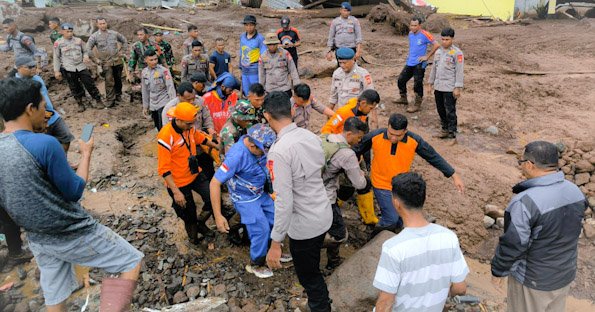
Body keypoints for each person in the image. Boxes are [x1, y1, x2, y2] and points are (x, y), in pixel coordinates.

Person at [0, 78, 143, 311]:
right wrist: (86, 153)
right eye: (44, 106)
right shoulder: (45, 144)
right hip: (71, 229)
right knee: (130, 260)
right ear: (30, 109)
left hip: (37, 236)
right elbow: (75, 191)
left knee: (55, 294)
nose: (47, 112)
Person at [491, 141, 586, 312]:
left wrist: (498, 270)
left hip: (533, 281)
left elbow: (513, 244)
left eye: (521, 162)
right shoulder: (575, 191)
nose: (521, 167)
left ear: (529, 164)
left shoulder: (524, 202)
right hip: (564, 275)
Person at [264, 91, 333, 312]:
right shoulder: (309, 136)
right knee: (312, 265)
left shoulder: (279, 152)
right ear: (292, 110)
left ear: (267, 116)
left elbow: (284, 201)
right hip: (323, 212)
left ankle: (320, 306)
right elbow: (321, 167)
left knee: (310, 276)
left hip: (304, 226)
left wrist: (276, 242)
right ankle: (317, 302)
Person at [373, 172, 468, 312]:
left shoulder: (393, 248)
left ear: (396, 203)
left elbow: (385, 303)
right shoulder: (449, 237)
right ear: (424, 199)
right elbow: (460, 288)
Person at [353, 113, 464, 232]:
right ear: (388, 126)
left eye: (398, 135)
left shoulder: (414, 140)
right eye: (391, 134)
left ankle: (395, 233)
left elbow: (432, 156)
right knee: (391, 219)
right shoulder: (375, 136)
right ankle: (375, 236)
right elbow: (357, 149)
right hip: (381, 184)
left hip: (401, 186)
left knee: (402, 218)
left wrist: (453, 175)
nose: (394, 138)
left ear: (405, 131)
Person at [211, 123, 277, 278]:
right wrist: (218, 216)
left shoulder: (260, 146)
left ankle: (271, 250)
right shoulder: (236, 156)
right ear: (252, 145)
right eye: (262, 151)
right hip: (245, 198)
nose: (263, 154)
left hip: (261, 192)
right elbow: (215, 183)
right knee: (261, 229)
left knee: (276, 218)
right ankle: (256, 263)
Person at [157, 102, 220, 246]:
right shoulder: (166, 136)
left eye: (192, 123)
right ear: (177, 120)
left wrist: (216, 146)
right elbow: (163, 169)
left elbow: (200, 138)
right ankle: (194, 238)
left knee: (212, 198)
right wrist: (176, 192)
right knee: (188, 213)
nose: (191, 126)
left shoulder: (189, 128)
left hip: (194, 174)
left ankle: (200, 223)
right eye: (188, 124)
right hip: (178, 182)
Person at [321, 117, 371, 270]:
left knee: (322, 226)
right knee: (339, 234)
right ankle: (310, 245)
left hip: (309, 190)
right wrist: (362, 174)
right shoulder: (347, 154)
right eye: (359, 137)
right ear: (349, 134)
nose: (360, 141)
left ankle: (333, 260)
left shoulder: (325, 137)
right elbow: (359, 184)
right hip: (326, 197)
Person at [14, 55, 75, 152]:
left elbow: (46, 94)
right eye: (29, 67)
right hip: (38, 122)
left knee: (66, 137)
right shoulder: (15, 85)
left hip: (52, 115)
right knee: (45, 148)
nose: (33, 68)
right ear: (19, 68)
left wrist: (55, 108)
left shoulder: (37, 78)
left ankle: (62, 162)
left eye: (34, 65)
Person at [53, 23, 104, 112]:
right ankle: (80, 103)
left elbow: (85, 51)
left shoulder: (78, 41)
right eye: (67, 32)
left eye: (71, 31)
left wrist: (85, 56)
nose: (70, 33)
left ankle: (98, 100)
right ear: (62, 32)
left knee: (89, 83)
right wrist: (56, 71)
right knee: (74, 87)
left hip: (81, 66)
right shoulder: (58, 43)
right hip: (69, 68)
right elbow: (56, 57)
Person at [394, 17, 440, 113]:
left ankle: (417, 104)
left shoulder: (425, 34)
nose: (413, 27)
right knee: (401, 80)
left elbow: (437, 45)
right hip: (410, 62)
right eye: (411, 25)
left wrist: (427, 56)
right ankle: (403, 98)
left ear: (419, 26)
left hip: (420, 64)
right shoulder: (410, 34)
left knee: (417, 84)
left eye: (415, 25)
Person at [428, 27, 464, 141]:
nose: (444, 42)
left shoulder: (457, 53)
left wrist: (457, 87)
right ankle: (444, 129)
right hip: (438, 86)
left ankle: (452, 132)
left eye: (447, 39)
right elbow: (434, 68)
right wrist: (430, 83)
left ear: (452, 39)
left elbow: (459, 70)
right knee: (440, 109)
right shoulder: (438, 52)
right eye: (442, 39)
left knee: (450, 110)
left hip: (449, 87)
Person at [86, 17, 128, 108]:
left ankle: (118, 95)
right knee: (109, 81)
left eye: (104, 23)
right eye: (100, 24)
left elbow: (124, 40)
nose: (103, 25)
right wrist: (96, 60)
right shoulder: (94, 36)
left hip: (117, 61)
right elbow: (88, 48)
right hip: (106, 63)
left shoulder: (114, 34)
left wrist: (122, 52)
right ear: (97, 25)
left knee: (118, 79)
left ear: (106, 23)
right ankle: (110, 100)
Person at [329, 47, 374, 112]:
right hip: (342, 113)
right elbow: (333, 96)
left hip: (357, 114)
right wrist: (329, 111)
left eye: (344, 63)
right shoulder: (337, 74)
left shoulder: (363, 74)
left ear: (353, 60)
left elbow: (371, 96)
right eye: (340, 63)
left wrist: (373, 116)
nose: (342, 65)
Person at [141, 49, 176, 130]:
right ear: (146, 60)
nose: (154, 62)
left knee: (163, 126)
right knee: (157, 126)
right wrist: (145, 106)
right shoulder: (144, 72)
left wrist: (172, 104)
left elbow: (170, 87)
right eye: (151, 60)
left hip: (163, 101)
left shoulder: (164, 71)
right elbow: (145, 90)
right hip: (153, 103)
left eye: (155, 59)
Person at [239, 15, 266, 97]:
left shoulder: (260, 38)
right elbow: (241, 51)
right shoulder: (242, 37)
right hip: (244, 69)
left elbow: (263, 54)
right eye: (246, 25)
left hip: (254, 69)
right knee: (247, 92)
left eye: (251, 25)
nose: (249, 27)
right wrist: (240, 65)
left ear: (255, 26)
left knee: (255, 91)